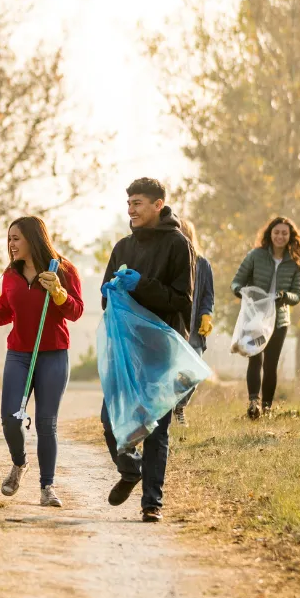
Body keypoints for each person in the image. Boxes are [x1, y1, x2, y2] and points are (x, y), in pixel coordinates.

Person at [99, 178, 193, 521]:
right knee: (110, 419)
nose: (130, 209)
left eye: (137, 203)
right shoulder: (122, 247)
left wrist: (143, 284)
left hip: (162, 348)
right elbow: (105, 295)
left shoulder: (179, 245)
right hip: (126, 348)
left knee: (157, 426)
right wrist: (109, 291)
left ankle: (152, 502)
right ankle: (129, 469)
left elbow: (183, 301)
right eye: (129, 203)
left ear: (158, 205)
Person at [0, 216, 83, 508]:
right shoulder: (11, 275)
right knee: (10, 418)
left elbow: (76, 312)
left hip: (54, 354)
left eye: (16, 238)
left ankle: (47, 487)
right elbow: (6, 311)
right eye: (9, 238)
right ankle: (19, 463)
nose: (11, 245)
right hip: (19, 354)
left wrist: (60, 294)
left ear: (34, 238)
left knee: (47, 424)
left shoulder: (62, 269)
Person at [231, 216, 300, 419]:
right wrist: (241, 292)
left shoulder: (295, 262)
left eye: (284, 233)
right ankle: (253, 403)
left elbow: (297, 294)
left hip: (278, 320)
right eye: (276, 232)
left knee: (270, 364)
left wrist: (285, 297)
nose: (280, 236)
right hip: (255, 317)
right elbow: (236, 282)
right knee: (254, 358)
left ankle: (267, 407)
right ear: (270, 234)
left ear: (290, 236)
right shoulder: (255, 256)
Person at [173, 218, 214, 426]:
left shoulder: (202, 264)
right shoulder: (169, 262)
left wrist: (207, 314)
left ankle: (179, 406)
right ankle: (166, 411)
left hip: (195, 330)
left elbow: (208, 295)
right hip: (173, 326)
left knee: (193, 372)